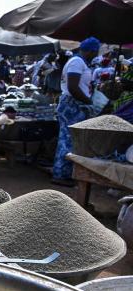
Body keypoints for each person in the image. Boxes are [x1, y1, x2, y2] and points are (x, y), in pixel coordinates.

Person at [53, 37, 101, 186]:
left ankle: (63, 173)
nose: (96, 55)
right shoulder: (77, 62)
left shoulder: (79, 62)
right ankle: (61, 174)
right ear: (91, 51)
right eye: (95, 52)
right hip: (72, 104)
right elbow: (73, 87)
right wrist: (89, 102)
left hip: (73, 104)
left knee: (68, 139)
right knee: (69, 139)